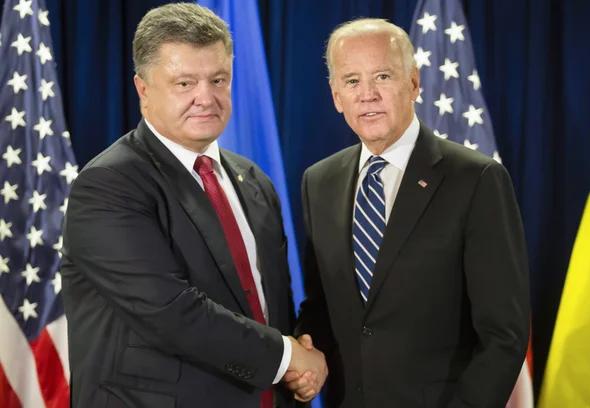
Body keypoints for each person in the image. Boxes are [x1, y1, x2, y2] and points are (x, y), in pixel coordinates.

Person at [61, 4, 326, 407]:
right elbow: (171, 314)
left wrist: (297, 367)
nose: (206, 98)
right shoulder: (108, 185)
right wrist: (289, 358)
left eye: (218, 79)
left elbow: (274, 308)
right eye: (185, 83)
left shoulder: (252, 180)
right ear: (143, 89)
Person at [295, 18, 530, 407]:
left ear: (414, 83)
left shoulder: (476, 180)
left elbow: (505, 333)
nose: (367, 94)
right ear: (336, 96)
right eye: (352, 81)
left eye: (382, 76)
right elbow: (321, 306)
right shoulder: (319, 181)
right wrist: (300, 357)